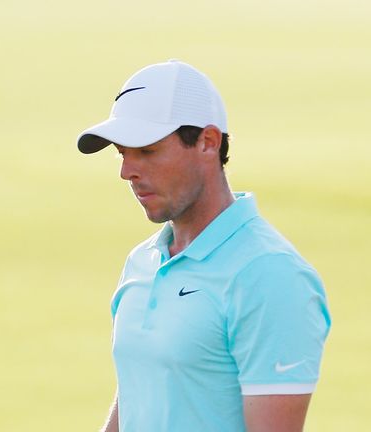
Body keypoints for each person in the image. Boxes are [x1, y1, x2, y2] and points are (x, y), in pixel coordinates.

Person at [77, 60, 331, 432]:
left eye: (146, 151)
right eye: (121, 152)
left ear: (207, 142)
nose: (126, 171)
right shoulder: (142, 262)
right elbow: (138, 396)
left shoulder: (271, 275)